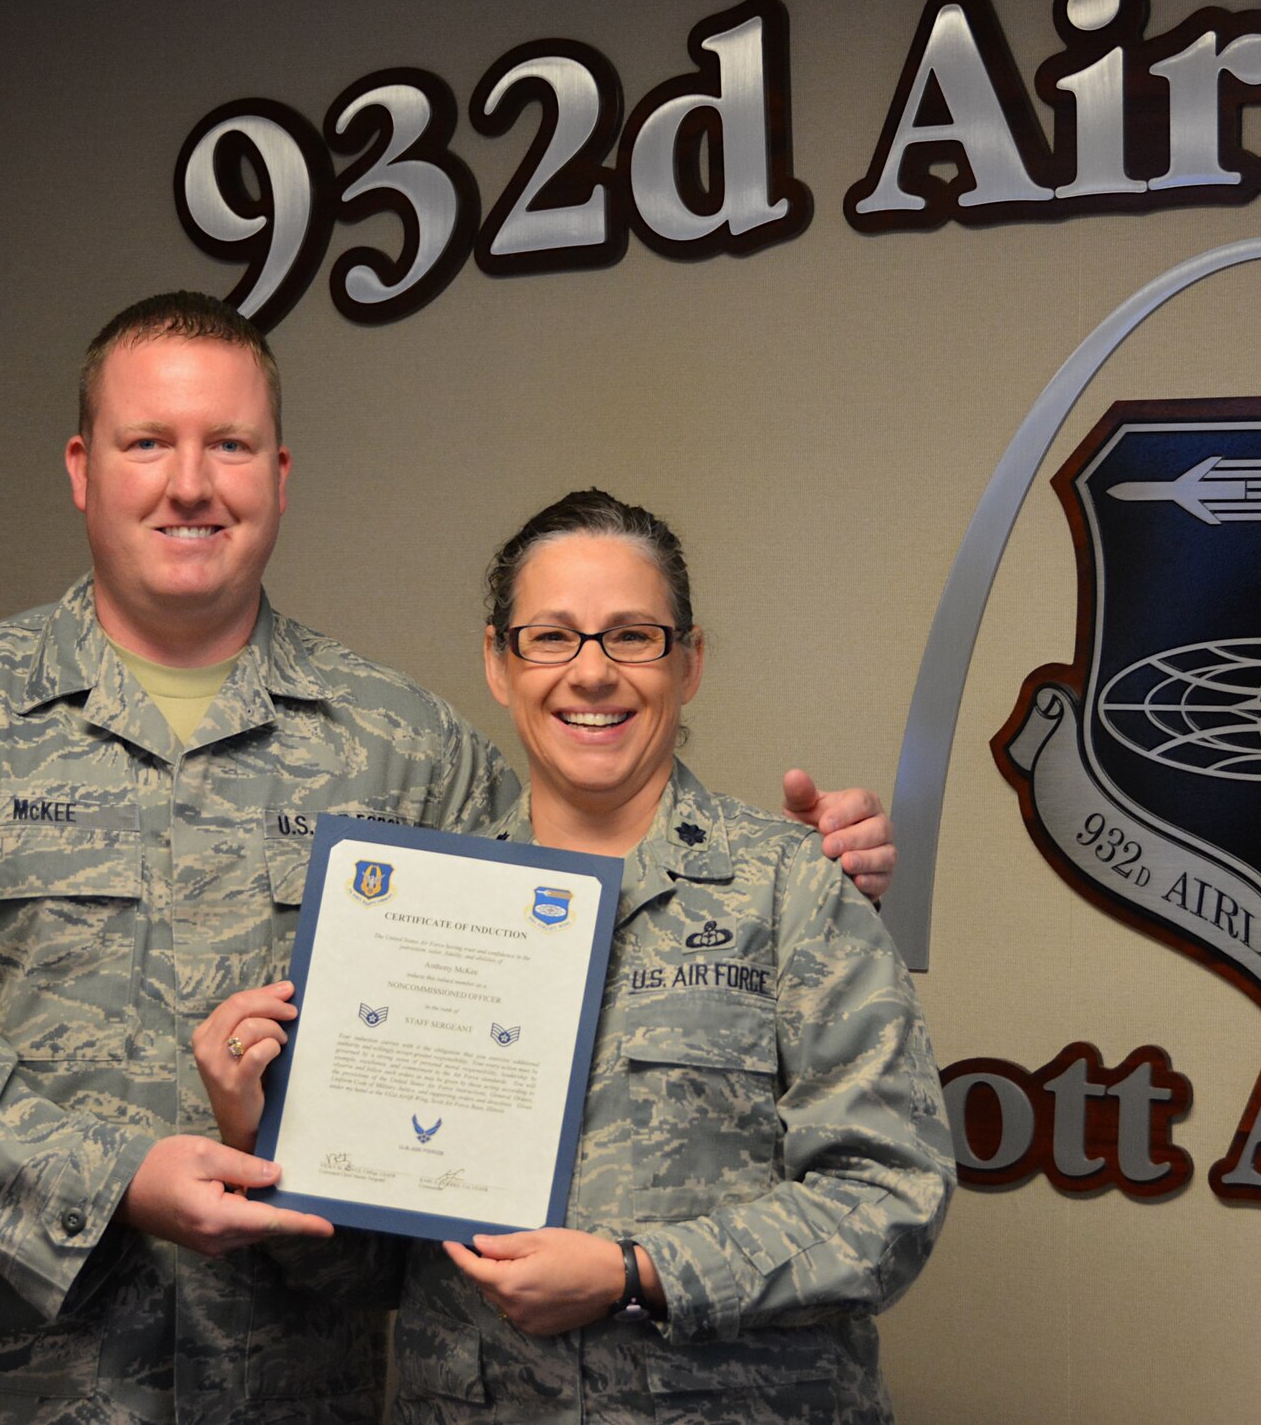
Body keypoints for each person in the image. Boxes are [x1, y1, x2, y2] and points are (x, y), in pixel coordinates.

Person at [0, 295, 898, 1425]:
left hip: (283, 1384)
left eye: (226, 444)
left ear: (278, 472)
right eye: (147, 443)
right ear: (83, 468)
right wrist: (108, 1176)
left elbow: (590, 860)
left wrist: (802, 874)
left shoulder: (407, 747)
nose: (189, 483)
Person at [197, 489, 953, 1424]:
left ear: (690, 662)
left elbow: (889, 1199)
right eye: (551, 637)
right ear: (497, 662)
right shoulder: (418, 914)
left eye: (632, 636)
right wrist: (258, 1136)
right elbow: (363, 1272)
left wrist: (637, 1274)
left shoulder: (794, 888)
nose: (591, 673)